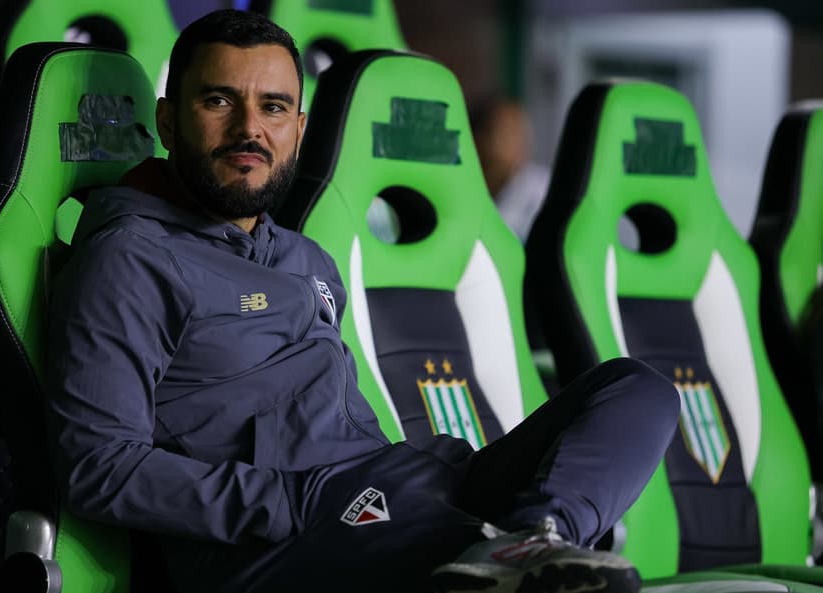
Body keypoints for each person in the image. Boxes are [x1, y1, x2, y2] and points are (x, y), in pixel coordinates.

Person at [46, 9, 679, 593]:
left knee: (636, 390)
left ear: (298, 129)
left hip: (402, 485)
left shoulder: (306, 258)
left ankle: (529, 540)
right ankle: (507, 560)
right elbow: (100, 467)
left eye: (273, 108)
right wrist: (292, 501)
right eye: (218, 101)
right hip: (285, 539)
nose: (249, 130)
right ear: (167, 121)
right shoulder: (130, 258)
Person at [470, 96, 551, 243]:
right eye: (507, 131)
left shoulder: (544, 190)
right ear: (478, 140)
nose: (519, 141)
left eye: (521, 131)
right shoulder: (467, 190)